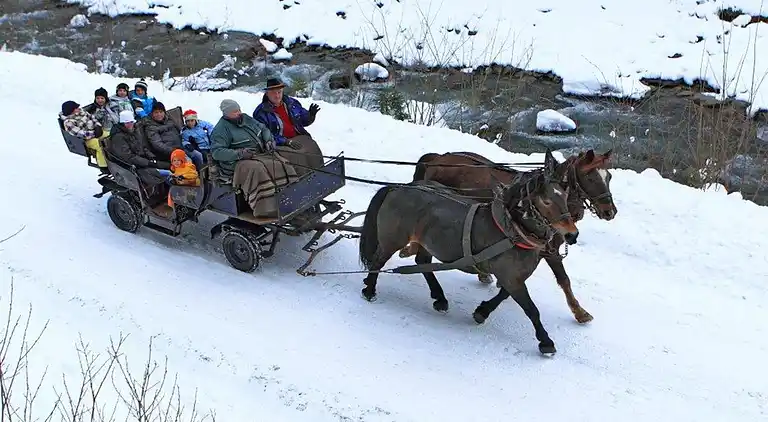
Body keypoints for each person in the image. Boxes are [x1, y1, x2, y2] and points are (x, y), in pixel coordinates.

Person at [210, 99, 299, 221]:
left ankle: (289, 196)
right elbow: (217, 152)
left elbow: (263, 128)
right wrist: (239, 154)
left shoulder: (245, 118)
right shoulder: (221, 129)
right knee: (258, 170)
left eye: (239, 110)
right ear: (226, 114)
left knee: (281, 163)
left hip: (258, 154)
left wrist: (268, 139)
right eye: (235, 112)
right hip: (236, 163)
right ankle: (266, 207)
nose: (239, 113)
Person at [252, 77, 324, 175]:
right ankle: (302, 178)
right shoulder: (261, 112)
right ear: (267, 93)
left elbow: (303, 121)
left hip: (298, 136)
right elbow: (265, 136)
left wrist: (310, 116)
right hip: (279, 144)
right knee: (297, 156)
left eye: (279, 92)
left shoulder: (291, 103)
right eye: (273, 93)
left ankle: (319, 172)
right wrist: (285, 141)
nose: (277, 95)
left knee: (312, 147)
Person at [108, 110, 172, 186]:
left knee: (167, 165)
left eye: (131, 122)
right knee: (158, 174)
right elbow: (128, 157)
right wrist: (148, 163)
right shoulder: (118, 137)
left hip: (143, 160)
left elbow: (143, 146)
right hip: (131, 166)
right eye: (127, 123)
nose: (130, 124)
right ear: (122, 123)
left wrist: (152, 158)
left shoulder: (134, 130)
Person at [59, 100, 108, 172]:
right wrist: (94, 133)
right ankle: (103, 166)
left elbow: (93, 118)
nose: (78, 108)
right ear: (72, 111)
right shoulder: (68, 122)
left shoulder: (82, 112)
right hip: (86, 140)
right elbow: (79, 133)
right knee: (100, 145)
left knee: (110, 135)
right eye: (76, 108)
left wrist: (98, 126)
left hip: (96, 131)